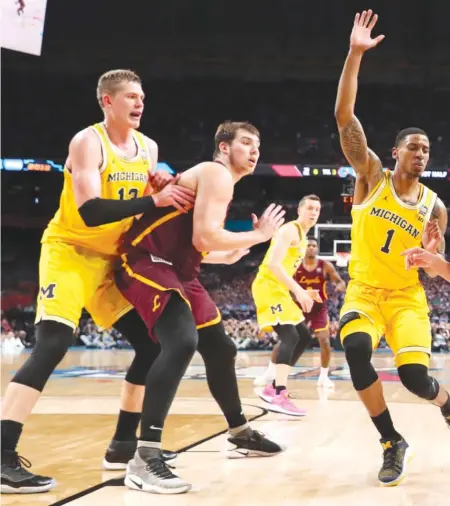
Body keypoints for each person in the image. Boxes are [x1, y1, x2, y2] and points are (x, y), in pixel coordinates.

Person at [0, 69, 193, 494]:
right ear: (107, 101)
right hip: (69, 251)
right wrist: (154, 197)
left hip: (110, 261)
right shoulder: (88, 141)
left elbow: (134, 201)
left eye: (142, 96)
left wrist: (157, 185)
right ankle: (2, 454)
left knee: (152, 343)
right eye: (129, 96)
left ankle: (123, 445)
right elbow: (89, 210)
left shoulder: (149, 147)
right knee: (52, 343)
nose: (139, 103)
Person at [115, 121, 286, 495]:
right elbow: (203, 236)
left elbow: (200, 245)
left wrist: (228, 255)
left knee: (221, 348)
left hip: (178, 269)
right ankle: (145, 456)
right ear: (224, 148)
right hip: (145, 259)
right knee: (179, 342)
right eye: (245, 142)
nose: (254, 150)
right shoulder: (216, 173)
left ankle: (240, 431)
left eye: (258, 144)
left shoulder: (218, 181)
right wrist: (258, 236)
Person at [335, 10, 450, 487]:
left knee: (415, 381)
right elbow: (344, 117)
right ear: (396, 150)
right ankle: (390, 440)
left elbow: (446, 270)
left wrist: (434, 260)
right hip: (364, 291)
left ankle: (446, 402)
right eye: (414, 147)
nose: (421, 154)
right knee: (357, 349)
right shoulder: (372, 175)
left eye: (427, 149)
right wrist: (355, 54)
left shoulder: (435, 207)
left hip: (406, 299)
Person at [252, 196, 322, 416]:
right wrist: (299, 291)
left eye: (317, 209)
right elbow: (273, 264)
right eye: (309, 208)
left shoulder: (303, 236)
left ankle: (272, 387)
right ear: (300, 210)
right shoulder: (289, 230)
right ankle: (278, 392)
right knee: (290, 336)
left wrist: (301, 290)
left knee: (303, 336)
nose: (313, 212)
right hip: (267, 286)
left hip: (279, 289)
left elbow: (285, 269)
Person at [254, 237, 346, 389]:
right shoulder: (295, 266)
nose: (311, 248)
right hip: (297, 305)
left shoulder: (325, 266)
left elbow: (339, 281)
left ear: (317, 248)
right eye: (308, 245)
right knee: (286, 339)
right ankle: (269, 373)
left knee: (324, 340)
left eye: (314, 245)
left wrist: (340, 286)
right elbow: (284, 282)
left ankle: (323, 377)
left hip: (317, 308)